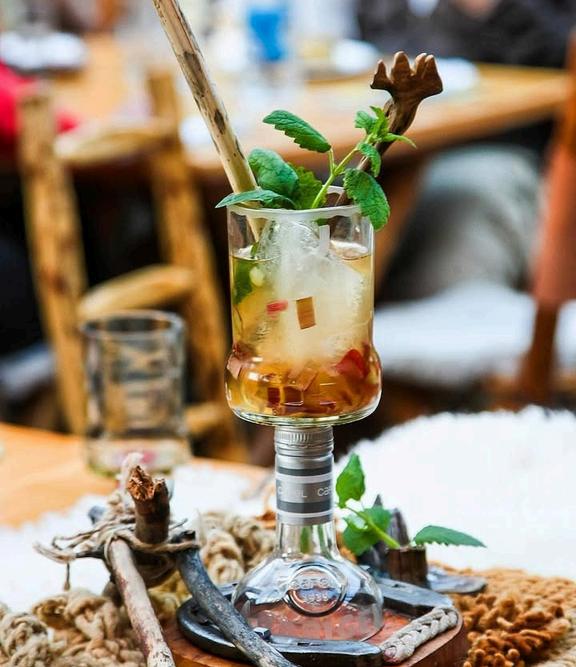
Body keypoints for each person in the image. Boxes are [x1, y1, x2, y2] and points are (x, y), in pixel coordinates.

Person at [355, 0, 576, 301]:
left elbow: (558, 55)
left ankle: (452, 321)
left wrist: (482, 10)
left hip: (507, 144)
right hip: (383, 148)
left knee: (466, 201)